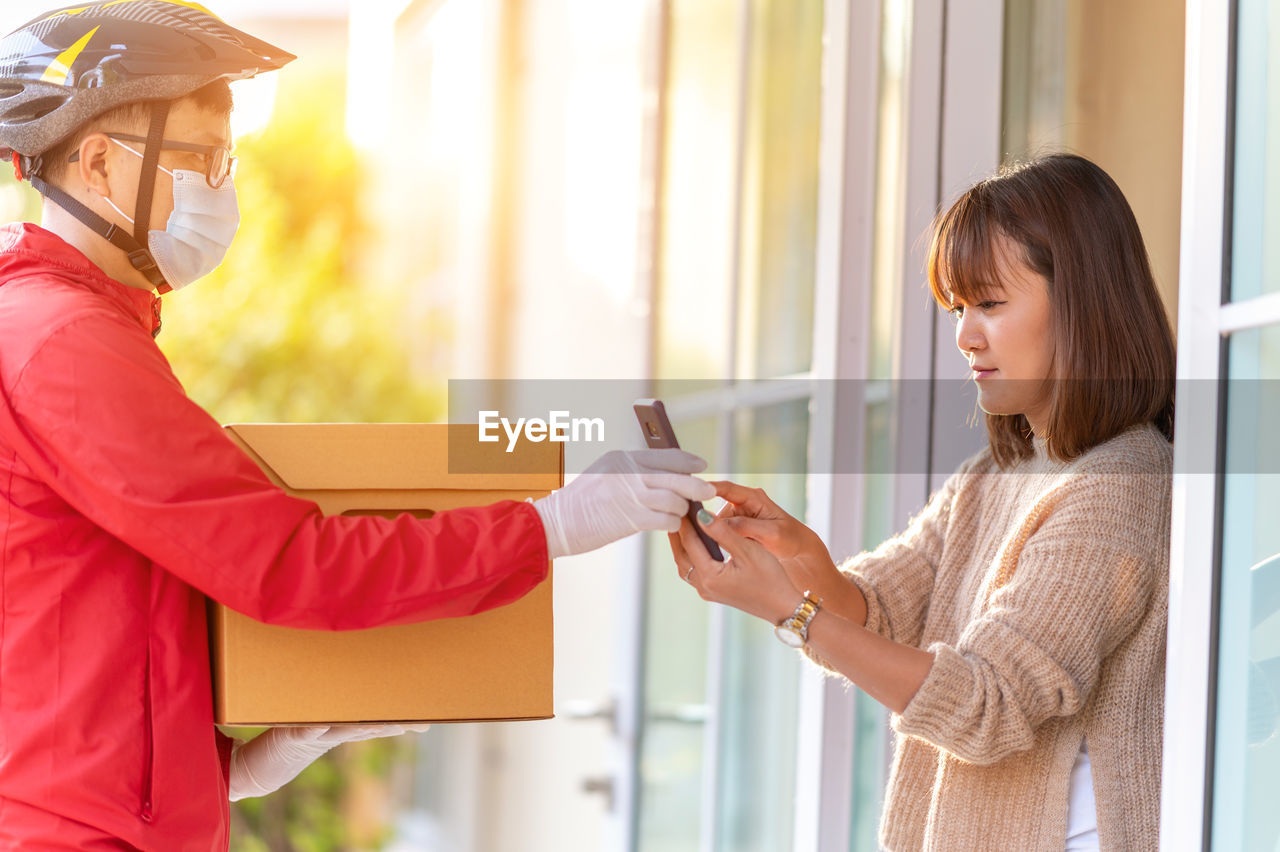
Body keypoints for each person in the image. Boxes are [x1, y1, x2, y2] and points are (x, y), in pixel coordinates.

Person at [0, 3, 714, 849]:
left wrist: (233, 765)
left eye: (227, 161)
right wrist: (549, 526)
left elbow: (76, 628)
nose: (220, 187)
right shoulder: (66, 344)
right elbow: (290, 564)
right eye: (199, 158)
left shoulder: (69, 328)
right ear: (96, 165)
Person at [670, 154, 1175, 851]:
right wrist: (793, 554)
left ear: (1085, 301)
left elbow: (987, 704)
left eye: (990, 304)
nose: (965, 336)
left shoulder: (1121, 485)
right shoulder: (996, 476)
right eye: (958, 307)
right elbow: (878, 614)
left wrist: (794, 612)